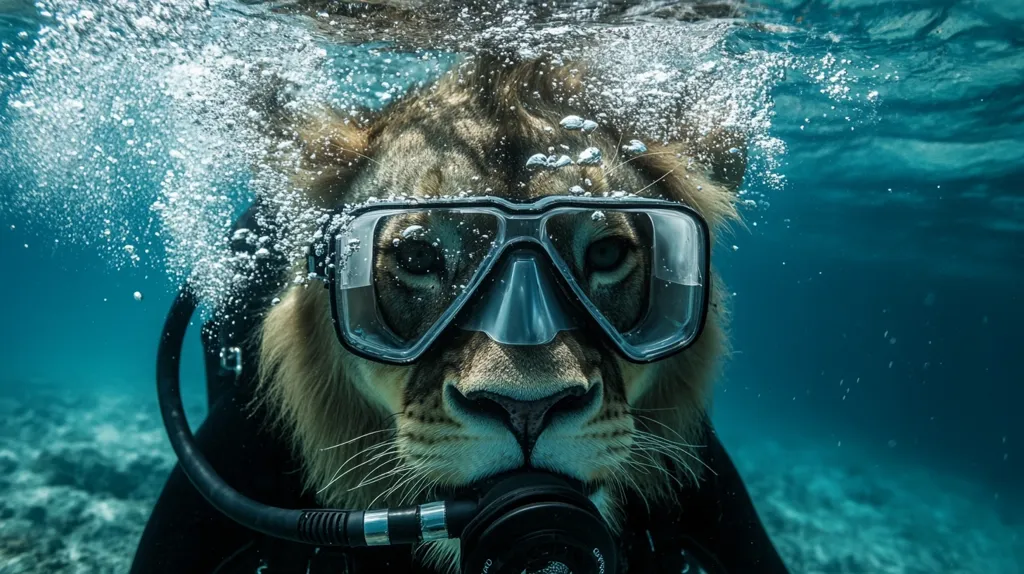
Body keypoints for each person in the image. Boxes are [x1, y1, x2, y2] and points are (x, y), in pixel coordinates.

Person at [132, 54, 789, 574]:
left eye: (611, 251)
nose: (528, 380)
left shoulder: (670, 444)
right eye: (416, 256)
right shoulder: (255, 446)